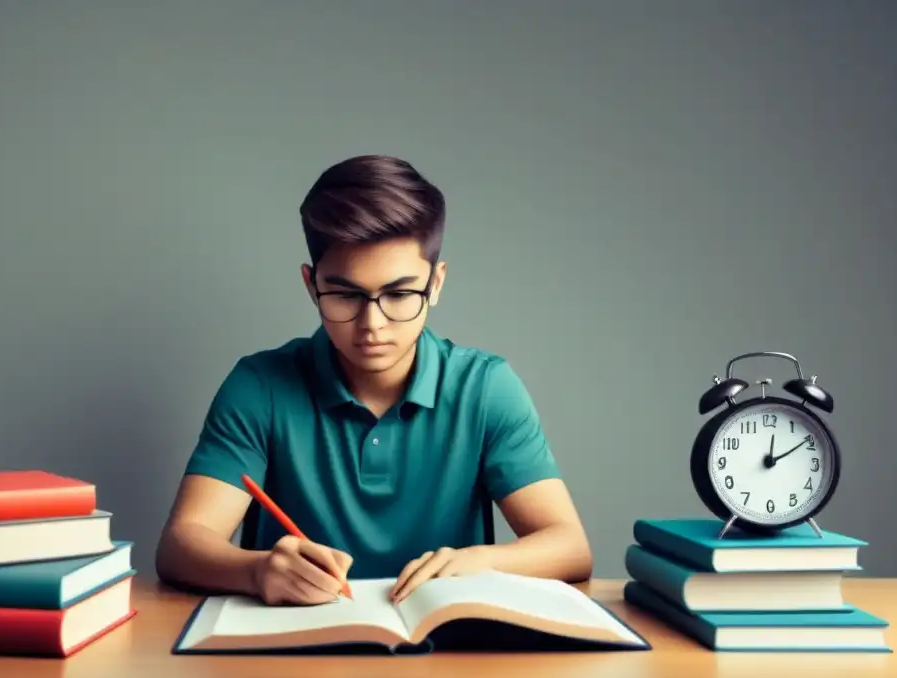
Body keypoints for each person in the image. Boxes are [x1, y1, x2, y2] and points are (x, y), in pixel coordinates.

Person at [155, 154, 593, 606]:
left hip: (447, 658)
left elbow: (569, 547)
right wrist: (257, 570)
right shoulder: (259, 386)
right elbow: (181, 545)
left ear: (436, 284)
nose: (372, 324)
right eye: (345, 294)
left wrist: (480, 563)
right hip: (295, 659)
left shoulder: (485, 388)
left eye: (400, 294)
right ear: (311, 285)